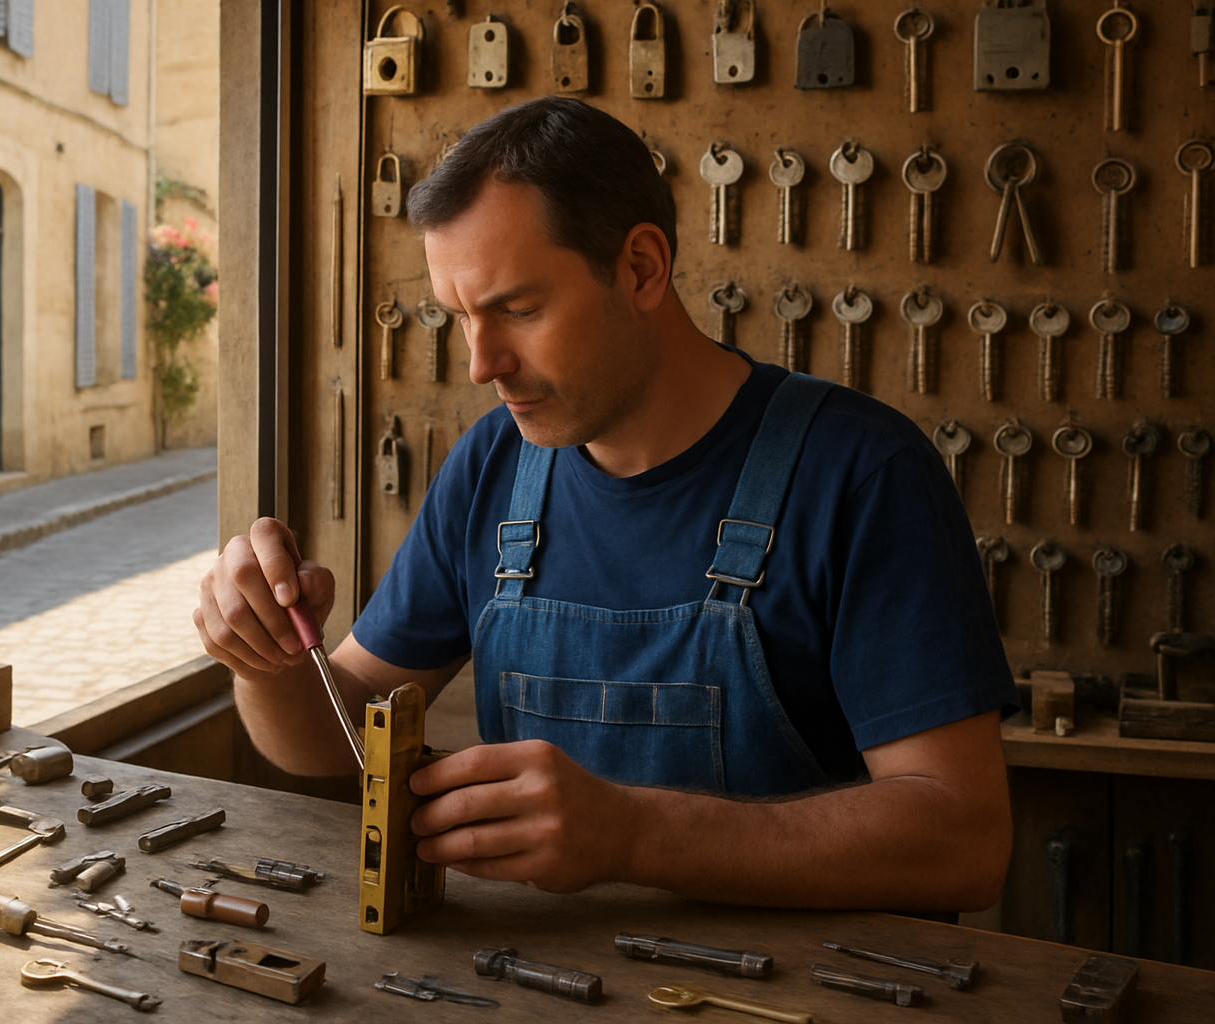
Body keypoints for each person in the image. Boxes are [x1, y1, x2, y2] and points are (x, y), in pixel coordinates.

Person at [196, 97, 1017, 913]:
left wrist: (633, 835)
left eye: (517, 309)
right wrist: (266, 661)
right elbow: (322, 741)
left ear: (641, 269)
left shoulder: (863, 473)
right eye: (459, 319)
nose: (481, 364)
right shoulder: (494, 464)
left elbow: (965, 843)